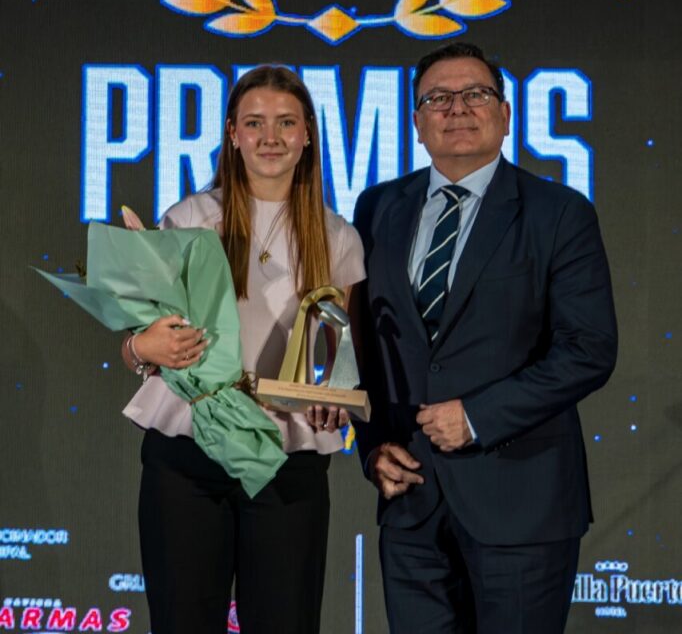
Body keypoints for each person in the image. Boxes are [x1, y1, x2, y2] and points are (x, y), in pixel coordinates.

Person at [351, 42, 617, 634]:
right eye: (438, 98)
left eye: (476, 94)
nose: (458, 108)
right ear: (417, 121)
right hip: (411, 503)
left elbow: (589, 349)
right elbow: (363, 346)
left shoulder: (558, 212)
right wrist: (371, 448)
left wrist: (476, 416)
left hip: (522, 505)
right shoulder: (377, 208)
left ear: (505, 112)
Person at [120, 65, 365, 634]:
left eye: (286, 123)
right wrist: (141, 346)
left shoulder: (337, 236)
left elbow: (342, 354)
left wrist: (335, 396)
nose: (270, 137)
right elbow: (142, 345)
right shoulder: (189, 218)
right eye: (254, 123)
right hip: (187, 453)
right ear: (232, 134)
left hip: (286, 454)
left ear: (308, 134)